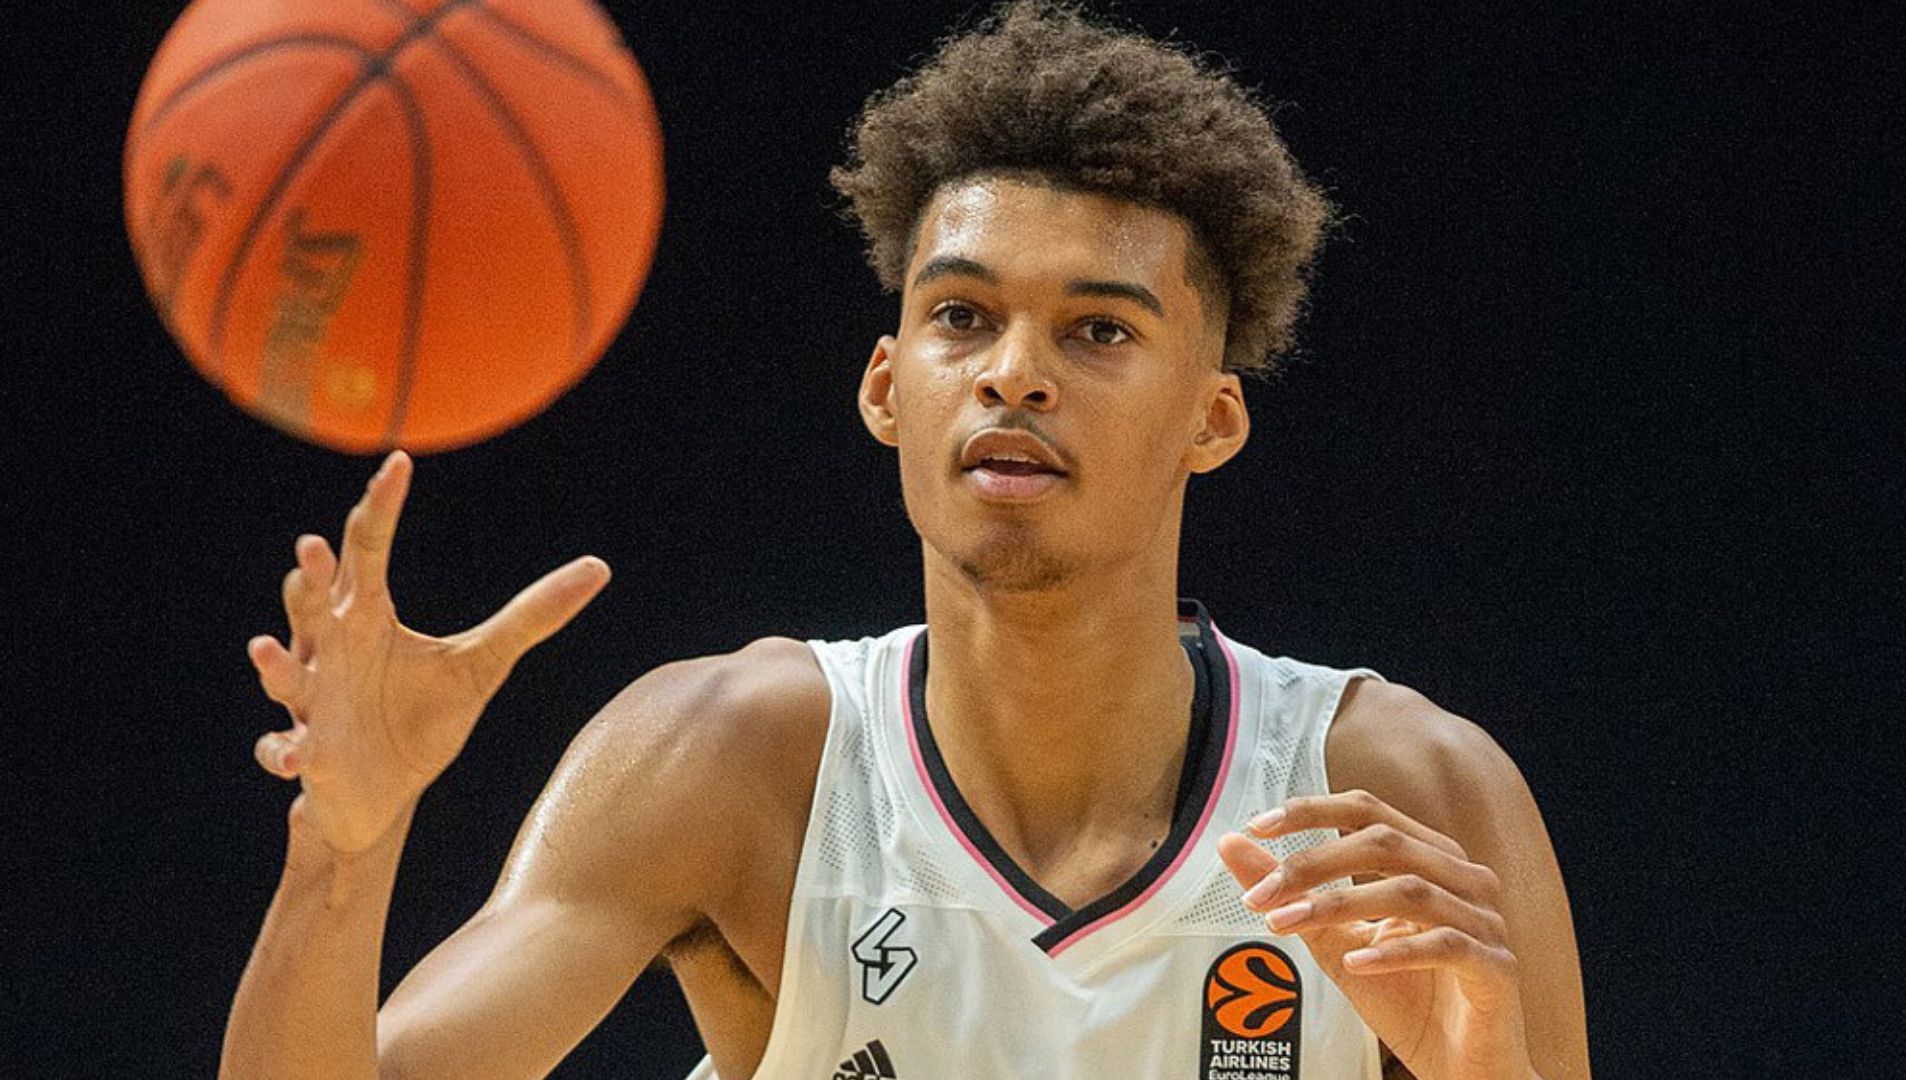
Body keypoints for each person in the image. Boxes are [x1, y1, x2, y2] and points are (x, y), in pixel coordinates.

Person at [222, 3, 1589, 1078]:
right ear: (886, 388)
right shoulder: (734, 761)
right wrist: (343, 851)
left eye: (1098, 330)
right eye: (961, 317)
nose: (1014, 374)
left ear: (1213, 418)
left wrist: (1487, 1070)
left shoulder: (1407, 797)